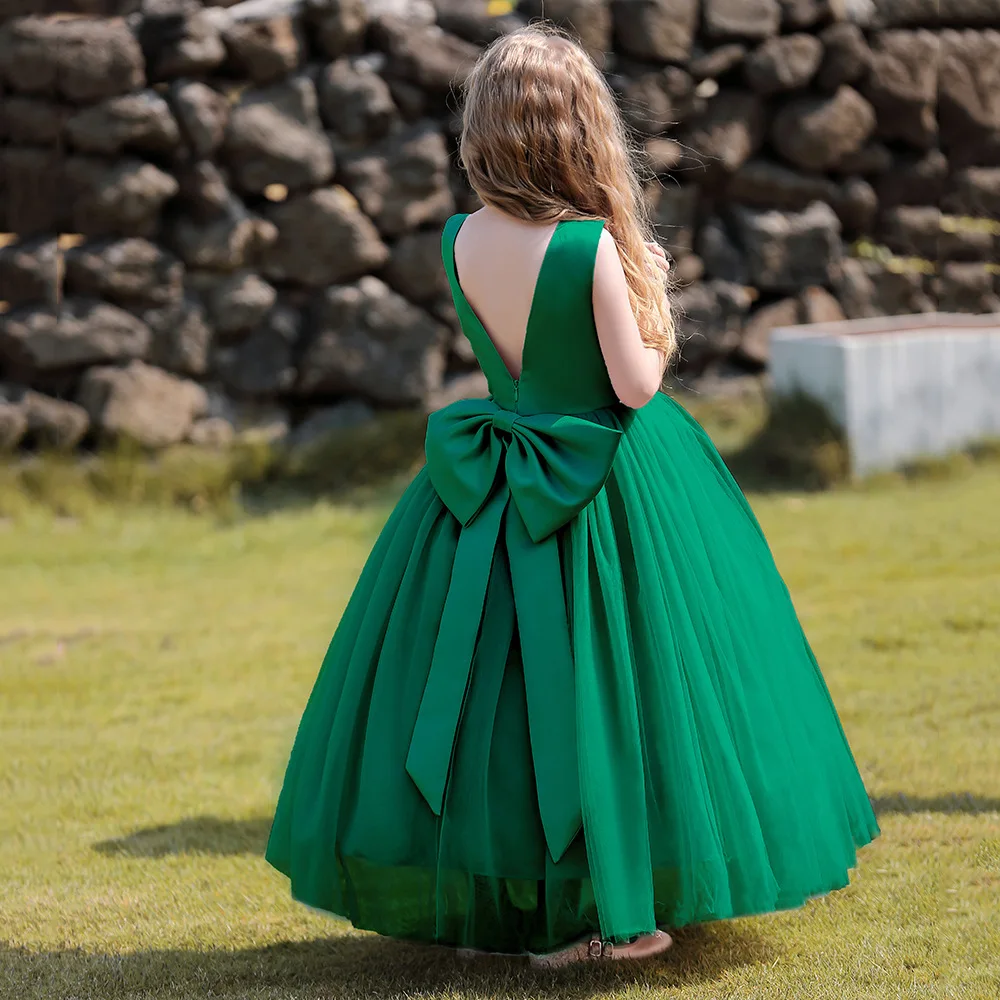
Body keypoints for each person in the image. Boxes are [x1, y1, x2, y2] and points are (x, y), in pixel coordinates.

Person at [264, 23, 881, 967]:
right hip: (601, 486)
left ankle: (502, 906)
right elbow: (632, 385)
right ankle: (609, 915)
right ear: (579, 133)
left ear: (484, 133)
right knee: (616, 682)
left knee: (496, 694)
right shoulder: (589, 247)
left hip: (487, 487)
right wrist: (656, 299)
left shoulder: (458, 238)